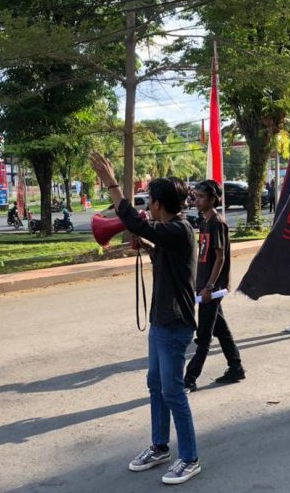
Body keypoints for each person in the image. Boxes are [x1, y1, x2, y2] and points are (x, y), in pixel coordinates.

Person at [90, 152, 201, 485]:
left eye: (149, 199)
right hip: (160, 321)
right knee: (156, 385)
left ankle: (190, 457)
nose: (147, 204)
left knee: (172, 391)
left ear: (157, 204)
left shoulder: (179, 229)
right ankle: (159, 446)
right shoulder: (171, 232)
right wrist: (150, 249)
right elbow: (169, 260)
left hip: (175, 324)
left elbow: (136, 221)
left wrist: (111, 183)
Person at [184, 180, 244, 393]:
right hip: (205, 287)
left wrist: (209, 286)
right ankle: (236, 367)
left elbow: (220, 258)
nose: (197, 200)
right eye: (196, 196)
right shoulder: (205, 221)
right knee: (221, 330)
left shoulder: (216, 222)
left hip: (213, 288)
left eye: (201, 197)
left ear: (212, 199)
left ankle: (190, 378)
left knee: (204, 335)